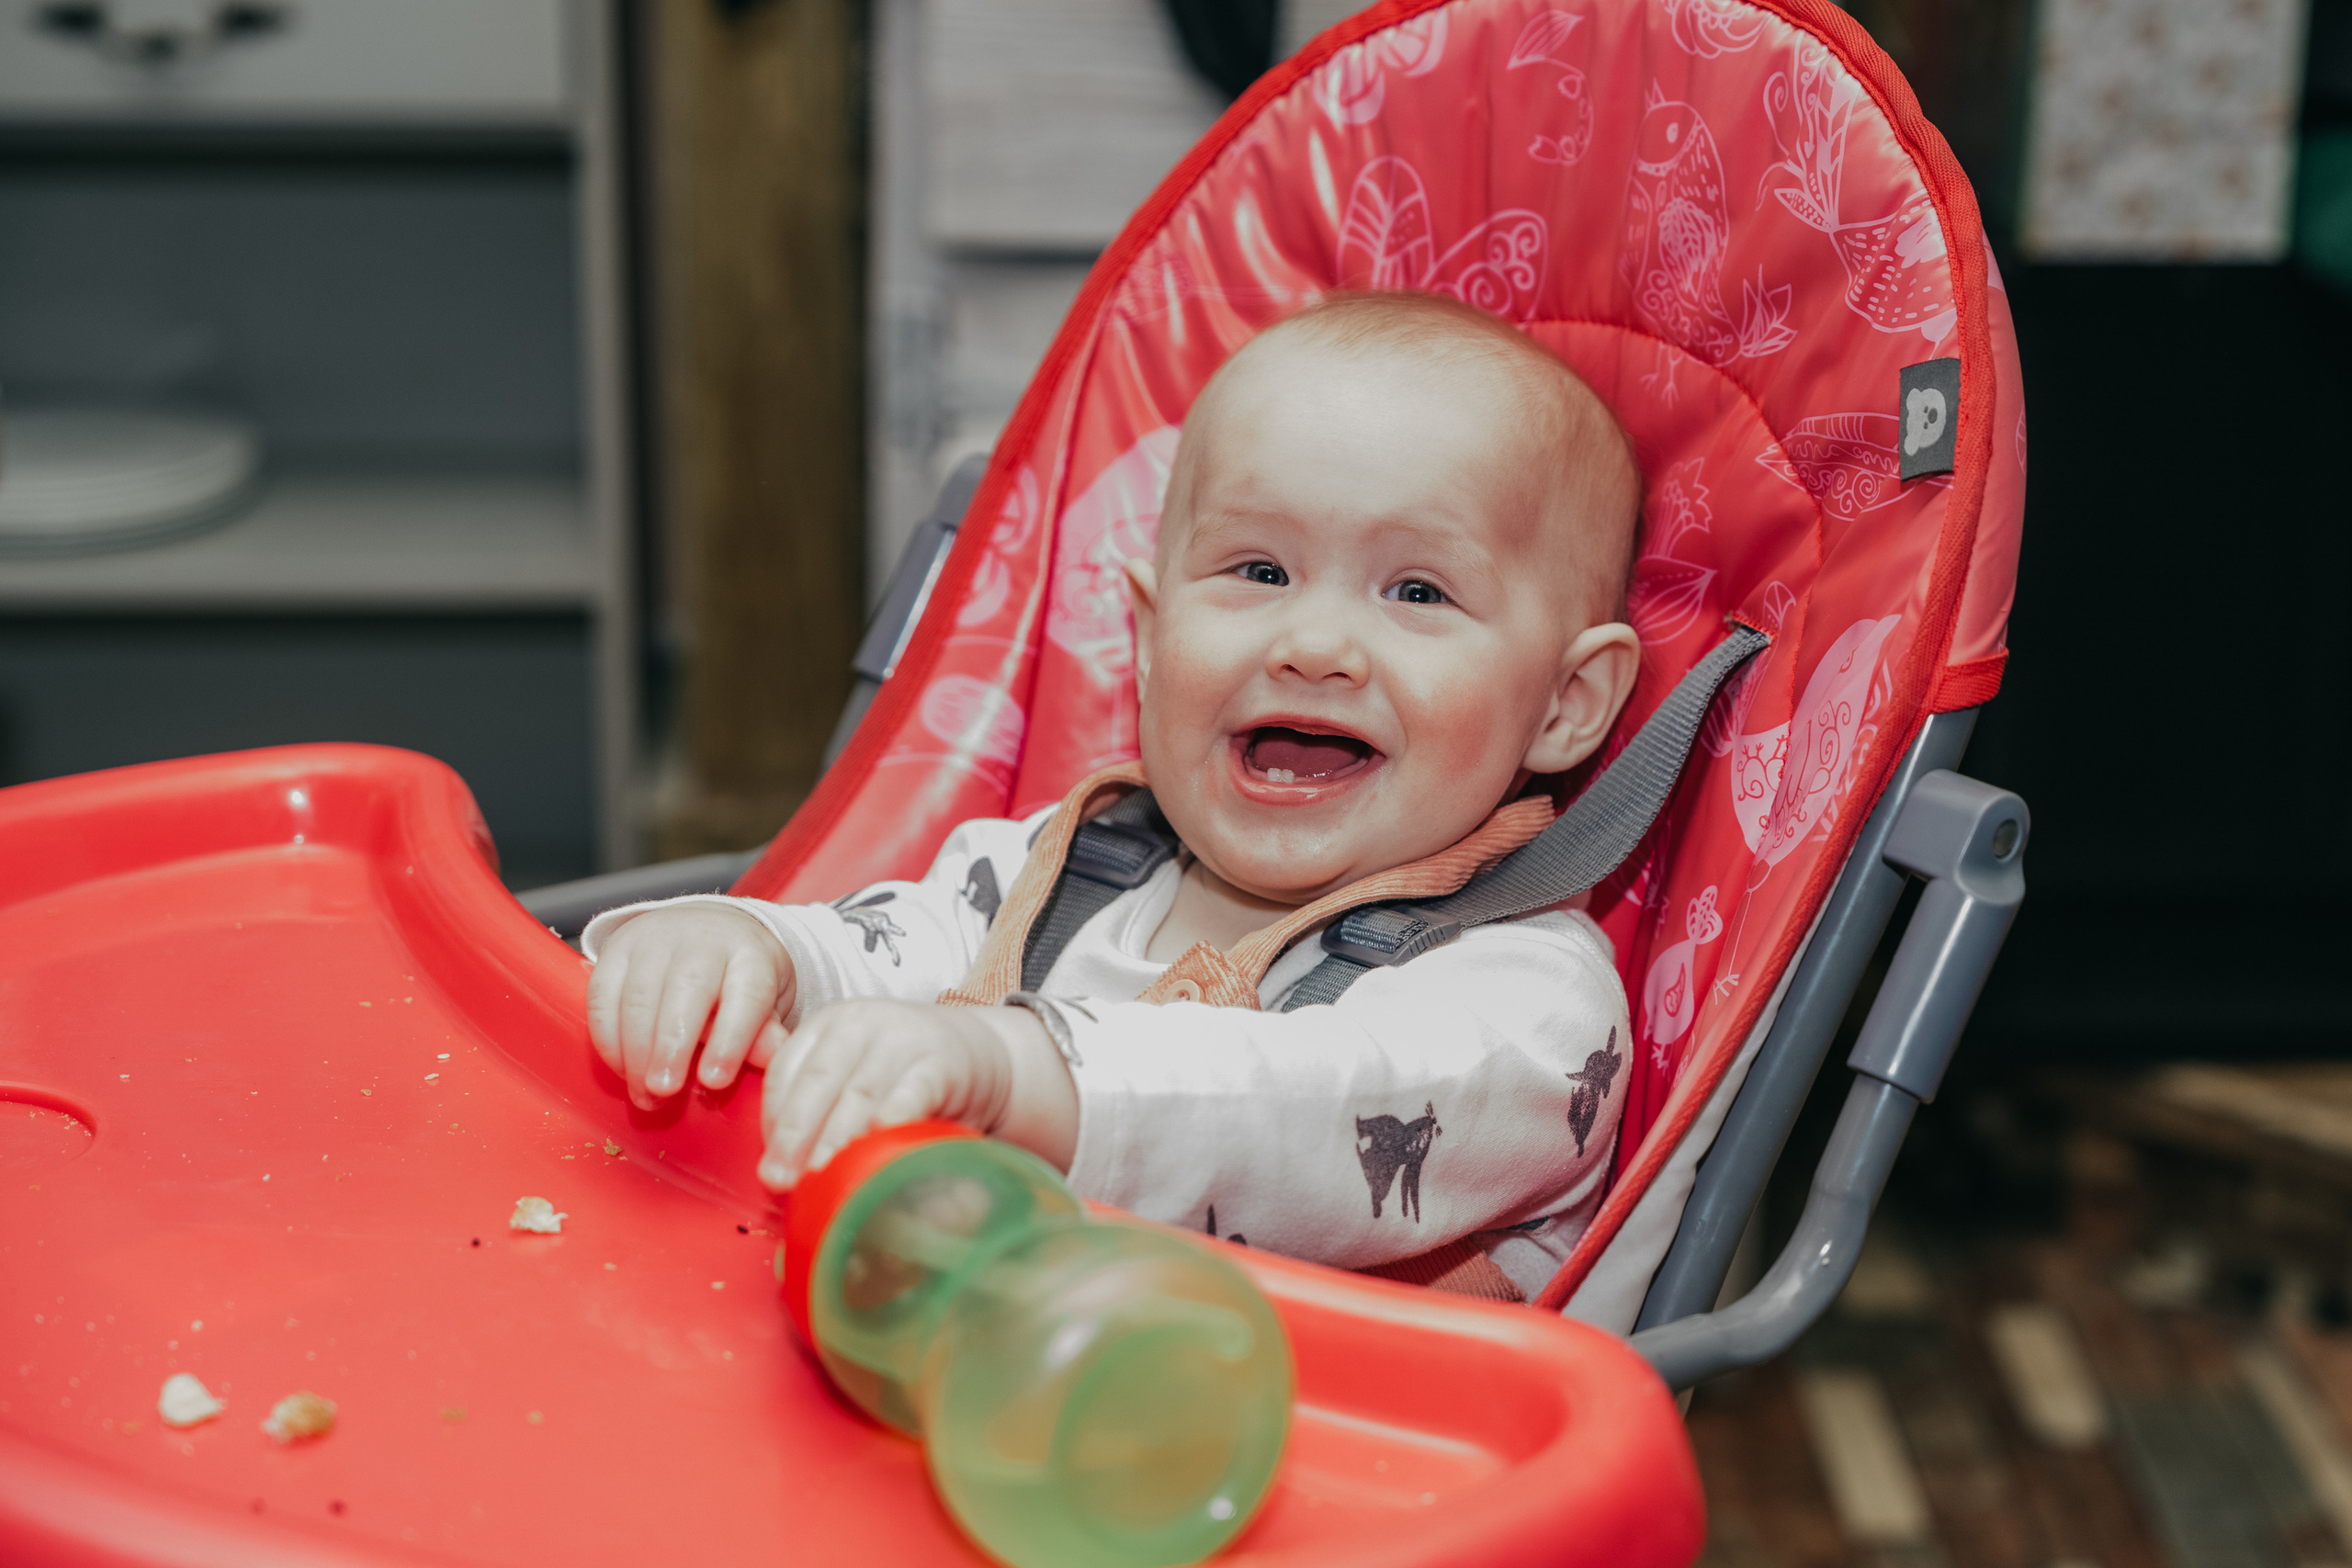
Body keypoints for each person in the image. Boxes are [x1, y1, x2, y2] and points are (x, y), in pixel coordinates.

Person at [583, 292, 1645, 1300]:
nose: (1313, 646)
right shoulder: (1071, 862)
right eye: (1258, 571)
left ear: (1564, 704)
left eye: (1417, 592)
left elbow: (1301, 1108)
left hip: (1350, 1462)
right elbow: (885, 952)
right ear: (1144, 639)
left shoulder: (1530, 1005)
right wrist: (749, 957)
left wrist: (1016, 1073)